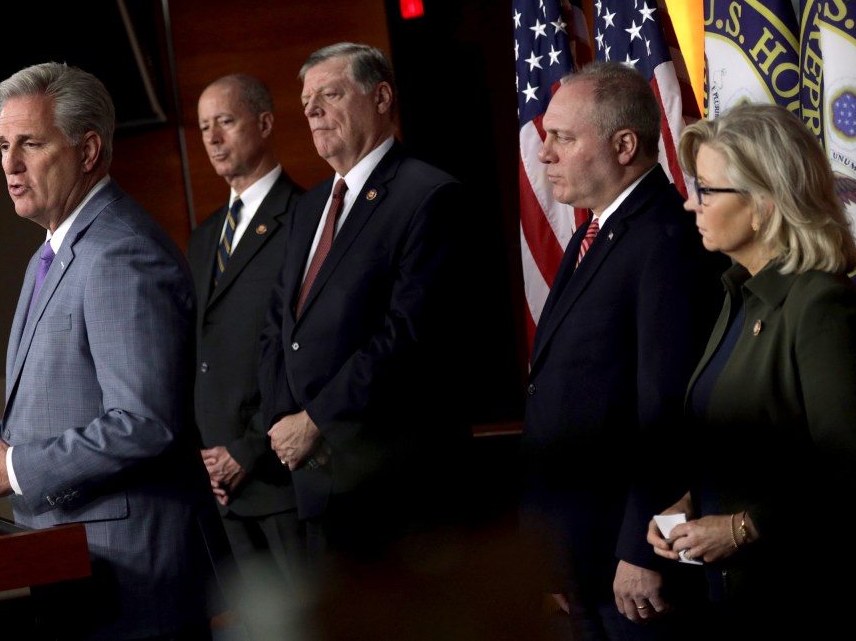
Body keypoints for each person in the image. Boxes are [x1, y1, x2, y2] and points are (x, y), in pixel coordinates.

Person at [0, 62, 216, 640]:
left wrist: (13, 468)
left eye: (30, 143)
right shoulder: (52, 252)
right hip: (78, 564)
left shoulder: (119, 252)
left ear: (89, 149)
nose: (9, 164)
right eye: (3, 145)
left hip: (134, 572)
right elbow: (67, 400)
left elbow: (144, 422)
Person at [519, 62, 726, 640]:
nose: (545, 154)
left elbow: (665, 409)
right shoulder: (600, 231)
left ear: (625, 144)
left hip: (630, 565)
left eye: (562, 137)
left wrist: (644, 547)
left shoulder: (665, 242)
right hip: (579, 548)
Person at [646, 103, 856, 636]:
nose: (688, 202)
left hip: (801, 597)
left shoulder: (819, 305)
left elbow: (853, 471)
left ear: (765, 204)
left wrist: (745, 528)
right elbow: (745, 443)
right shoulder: (738, 294)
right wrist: (691, 501)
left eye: (706, 189)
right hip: (730, 594)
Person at [257, 42, 474, 562]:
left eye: (329, 94)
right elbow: (278, 326)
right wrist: (284, 420)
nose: (311, 110)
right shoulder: (309, 207)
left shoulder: (427, 194)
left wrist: (317, 421)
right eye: (307, 100)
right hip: (315, 480)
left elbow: (406, 334)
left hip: (396, 484)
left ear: (380, 97)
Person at [187, 74, 306, 613]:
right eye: (204, 127)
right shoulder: (206, 234)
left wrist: (247, 450)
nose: (212, 138)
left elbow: (306, 351)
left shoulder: (305, 219)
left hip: (281, 476)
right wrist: (205, 459)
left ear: (264, 124)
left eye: (226, 122)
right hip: (222, 490)